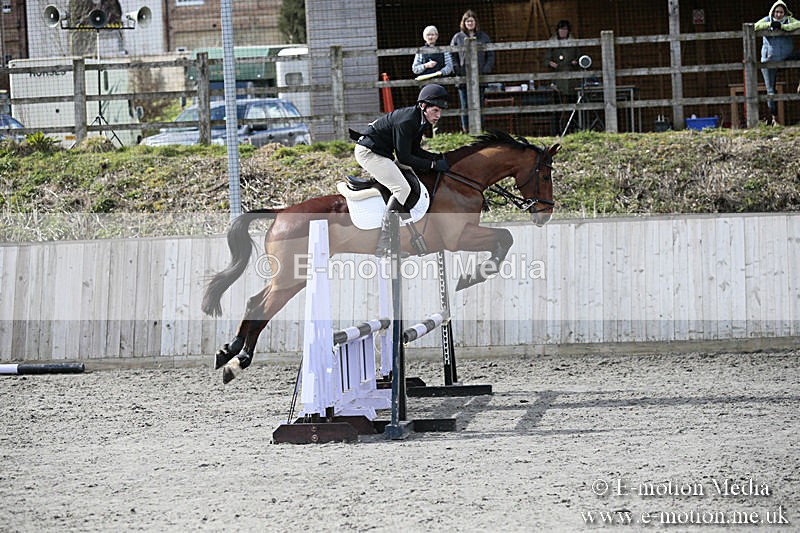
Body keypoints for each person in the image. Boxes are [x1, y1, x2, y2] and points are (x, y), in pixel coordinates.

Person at [351, 84, 451, 256]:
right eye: (435, 110)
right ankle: (384, 244)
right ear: (423, 106)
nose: (438, 116)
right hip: (369, 153)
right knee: (402, 188)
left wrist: (434, 157)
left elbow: (414, 151)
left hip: (382, 152)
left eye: (440, 111)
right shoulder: (407, 121)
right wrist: (432, 165)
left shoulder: (420, 120)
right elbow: (404, 158)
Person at [754, 1, 800, 125]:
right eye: (776, 12)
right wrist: (770, 24)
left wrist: (783, 27)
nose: (778, 14)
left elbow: (798, 24)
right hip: (769, 61)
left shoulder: (789, 20)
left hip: (786, 56)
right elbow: (755, 26)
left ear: (785, 12)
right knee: (770, 90)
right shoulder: (767, 20)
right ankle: (774, 119)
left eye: (781, 12)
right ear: (773, 12)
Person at [450, 10, 495, 133]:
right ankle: (466, 130)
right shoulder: (457, 38)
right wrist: (457, 70)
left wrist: (486, 69)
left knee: (479, 105)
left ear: (475, 22)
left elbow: (491, 55)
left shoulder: (484, 37)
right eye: (467, 21)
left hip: (480, 77)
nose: (469, 23)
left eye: (471, 21)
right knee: (465, 105)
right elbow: (452, 55)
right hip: (463, 77)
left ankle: (479, 130)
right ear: (463, 23)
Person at [544, 20, 581, 97]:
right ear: (558, 30)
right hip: (557, 74)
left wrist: (576, 61)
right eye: (561, 29)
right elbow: (546, 59)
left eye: (565, 30)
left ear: (568, 31)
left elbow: (579, 56)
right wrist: (550, 63)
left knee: (572, 95)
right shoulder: (552, 42)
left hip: (571, 75)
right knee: (557, 96)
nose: (563, 32)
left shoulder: (574, 42)